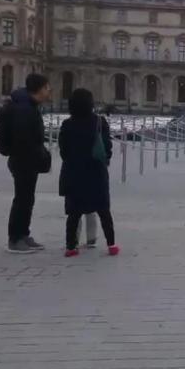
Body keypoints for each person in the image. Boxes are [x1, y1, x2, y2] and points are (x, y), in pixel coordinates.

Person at [0, 74, 52, 254]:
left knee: (27, 199)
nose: (49, 91)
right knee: (22, 199)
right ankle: (15, 238)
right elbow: (24, 139)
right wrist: (40, 155)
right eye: (47, 87)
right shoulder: (25, 109)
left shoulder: (28, 106)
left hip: (26, 159)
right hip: (23, 160)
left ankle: (23, 234)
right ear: (39, 89)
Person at [58, 89, 119, 257]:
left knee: (74, 213)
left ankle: (71, 247)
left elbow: (63, 151)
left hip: (74, 173)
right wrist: (105, 159)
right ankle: (111, 244)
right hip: (96, 172)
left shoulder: (67, 125)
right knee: (103, 211)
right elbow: (107, 146)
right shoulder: (100, 122)